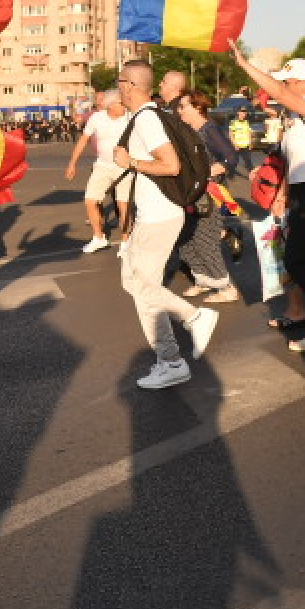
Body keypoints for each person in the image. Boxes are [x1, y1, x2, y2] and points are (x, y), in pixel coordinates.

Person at [228, 49, 305, 354]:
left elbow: (278, 92)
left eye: (288, 82)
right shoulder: (296, 116)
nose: (283, 87)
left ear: (302, 83)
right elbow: (291, 160)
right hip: (304, 190)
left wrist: (245, 64)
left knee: (296, 260)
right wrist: (282, 192)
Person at [112, 60, 220, 390]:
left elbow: (170, 165)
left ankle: (193, 319)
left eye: (120, 82)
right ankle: (170, 359)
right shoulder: (147, 117)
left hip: (159, 216)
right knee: (138, 286)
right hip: (156, 214)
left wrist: (129, 161)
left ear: (129, 84)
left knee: (139, 286)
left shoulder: (146, 120)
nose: (118, 88)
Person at [172, 90, 239, 304]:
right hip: (191, 194)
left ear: (197, 108)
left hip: (209, 196)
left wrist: (205, 174)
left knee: (205, 241)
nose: (179, 110)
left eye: (183, 106)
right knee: (186, 240)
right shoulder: (189, 130)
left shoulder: (209, 130)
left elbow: (231, 158)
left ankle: (226, 287)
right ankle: (203, 279)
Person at [65, 89, 131, 252]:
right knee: (90, 201)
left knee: (123, 205)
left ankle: (125, 241)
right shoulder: (97, 118)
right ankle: (98, 237)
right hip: (102, 166)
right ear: (111, 105)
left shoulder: (130, 117)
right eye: (121, 103)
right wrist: (72, 163)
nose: (124, 106)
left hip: (124, 167)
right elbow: (83, 141)